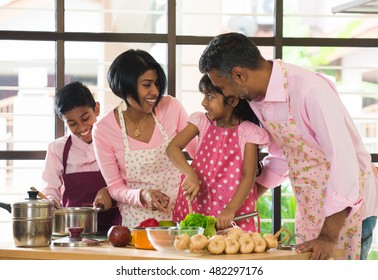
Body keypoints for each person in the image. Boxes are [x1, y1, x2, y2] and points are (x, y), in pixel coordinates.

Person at [198, 32, 378, 260]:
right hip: (312, 207)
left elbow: (344, 162)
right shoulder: (258, 98)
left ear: (239, 74)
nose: (226, 94)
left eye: (221, 87)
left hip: (347, 209)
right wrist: (242, 200)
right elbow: (283, 155)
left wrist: (328, 236)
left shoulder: (309, 90)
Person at [92, 49, 195, 229]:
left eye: (157, 83)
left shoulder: (171, 107)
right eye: (147, 85)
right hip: (137, 221)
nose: (155, 91)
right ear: (125, 86)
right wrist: (143, 195)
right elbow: (115, 187)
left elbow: (199, 154)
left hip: (182, 213)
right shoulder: (103, 130)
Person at [166, 74, 269, 232]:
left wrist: (230, 209)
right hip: (197, 204)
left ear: (233, 101)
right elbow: (172, 148)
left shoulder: (249, 132)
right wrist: (190, 174)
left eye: (210, 96)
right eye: (204, 96)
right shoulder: (201, 122)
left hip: (231, 210)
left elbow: (249, 177)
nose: (204, 102)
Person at [41, 81, 122, 234]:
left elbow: (127, 182)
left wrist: (108, 191)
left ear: (96, 109)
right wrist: (51, 202)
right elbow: (50, 188)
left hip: (116, 228)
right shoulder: (57, 149)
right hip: (73, 230)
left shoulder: (116, 142)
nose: (82, 128)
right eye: (72, 124)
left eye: (85, 118)